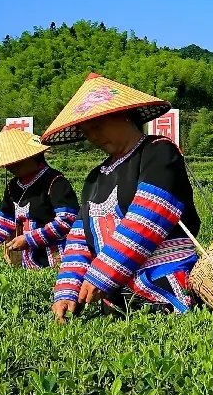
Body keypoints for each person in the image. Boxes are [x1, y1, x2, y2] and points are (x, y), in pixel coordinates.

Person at [42, 73, 201, 322]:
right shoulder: (95, 177)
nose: (92, 136)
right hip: (116, 300)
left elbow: (149, 216)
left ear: (123, 114)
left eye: (97, 125)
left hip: (164, 288)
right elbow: (80, 237)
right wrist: (68, 289)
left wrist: (101, 275)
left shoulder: (159, 152)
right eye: (85, 130)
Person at [0, 128, 78, 271]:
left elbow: (67, 220)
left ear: (31, 156)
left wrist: (29, 239)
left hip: (59, 263)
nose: (9, 167)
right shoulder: (13, 187)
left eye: (15, 162)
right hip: (29, 266)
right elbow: (0, 223)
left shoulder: (55, 182)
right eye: (7, 163)